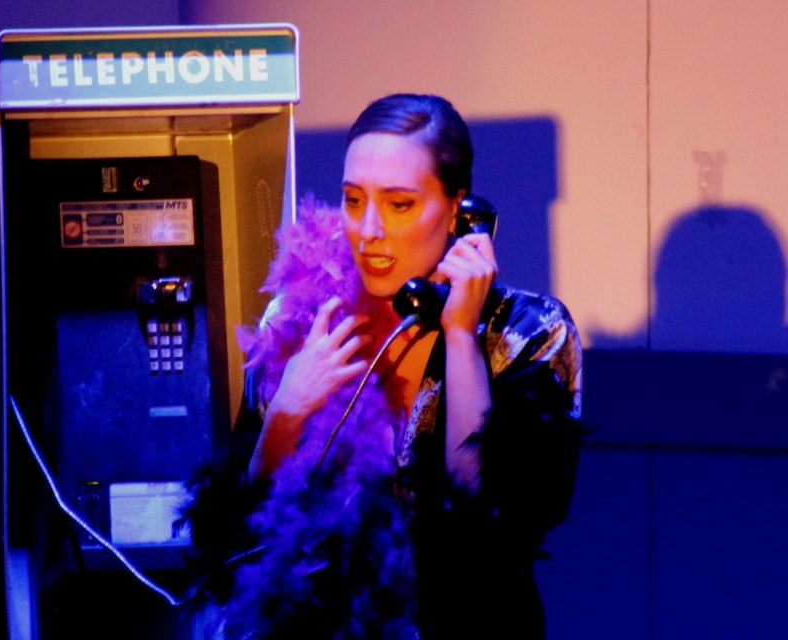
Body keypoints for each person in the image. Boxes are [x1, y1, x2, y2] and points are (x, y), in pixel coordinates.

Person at [182, 93, 583, 640]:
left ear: (461, 210)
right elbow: (242, 530)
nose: (368, 230)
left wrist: (461, 336)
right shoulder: (302, 316)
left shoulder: (528, 331)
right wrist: (287, 409)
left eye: (399, 204)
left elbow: (490, 519)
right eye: (352, 200)